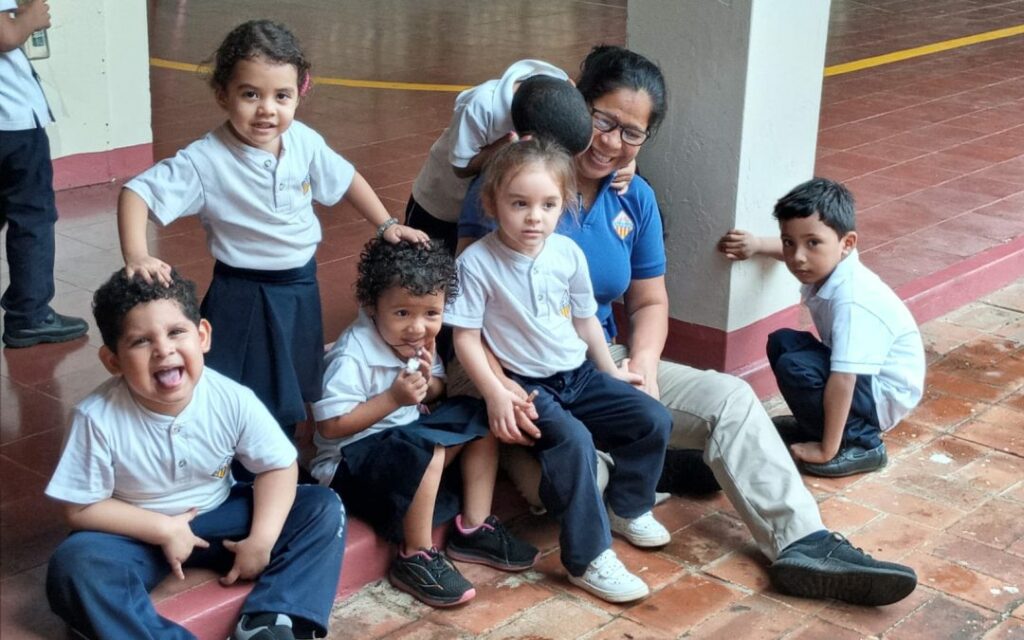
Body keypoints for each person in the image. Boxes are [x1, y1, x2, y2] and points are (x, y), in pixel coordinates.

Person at [459, 45, 918, 606]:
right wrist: (499, 386)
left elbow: (649, 302)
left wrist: (643, 366)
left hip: (597, 359)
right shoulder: (511, 186)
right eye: (602, 121)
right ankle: (656, 470)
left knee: (730, 399)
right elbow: (469, 312)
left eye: (631, 133)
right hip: (519, 381)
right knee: (579, 479)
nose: (610, 142)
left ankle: (805, 541)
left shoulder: (635, 198)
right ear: (577, 110)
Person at [116, 20, 427, 437]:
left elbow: (346, 177)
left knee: (293, 383)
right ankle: (243, 467)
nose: (267, 109)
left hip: (299, 286)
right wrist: (136, 253)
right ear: (222, 94)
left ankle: (281, 461)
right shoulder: (205, 160)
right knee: (245, 386)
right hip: (244, 294)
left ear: (301, 92)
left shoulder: (303, 140)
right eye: (250, 94)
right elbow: (137, 193)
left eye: (281, 96)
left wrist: (386, 223)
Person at [44, 269, 345, 640]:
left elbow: (278, 465)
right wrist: (163, 528)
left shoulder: (230, 398)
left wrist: (262, 540)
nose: (163, 349)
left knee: (320, 508)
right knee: (76, 565)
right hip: (139, 536)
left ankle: (273, 621)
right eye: (140, 341)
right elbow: (80, 507)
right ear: (113, 361)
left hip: (218, 518)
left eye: (176, 332)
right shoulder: (96, 418)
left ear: (202, 336)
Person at [449, 137, 673, 604]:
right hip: (527, 386)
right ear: (492, 204)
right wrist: (494, 391)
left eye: (548, 204)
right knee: (573, 442)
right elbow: (465, 337)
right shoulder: (476, 263)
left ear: (563, 205)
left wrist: (610, 373)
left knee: (651, 418)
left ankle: (628, 508)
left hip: (579, 373)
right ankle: (588, 559)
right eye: (520, 204)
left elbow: (588, 322)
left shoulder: (567, 254)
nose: (535, 217)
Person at [312, 239, 537, 608]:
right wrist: (392, 400)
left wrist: (425, 387)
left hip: (405, 450)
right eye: (402, 313)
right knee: (422, 447)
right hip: (351, 468)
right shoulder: (352, 354)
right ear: (371, 306)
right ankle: (415, 555)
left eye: (431, 314)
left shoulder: (419, 343)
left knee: (477, 412)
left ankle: (474, 527)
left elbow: (437, 388)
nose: (417, 328)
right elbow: (331, 427)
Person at [717, 178, 925, 477]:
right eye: (790, 242)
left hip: (882, 394)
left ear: (847, 243)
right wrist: (758, 245)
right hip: (868, 381)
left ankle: (862, 444)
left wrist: (826, 449)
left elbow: (844, 379)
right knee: (783, 342)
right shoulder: (834, 263)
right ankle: (813, 426)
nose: (797, 257)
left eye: (812, 244)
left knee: (796, 366)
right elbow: (799, 243)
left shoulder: (852, 300)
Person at [407, 58, 616, 254]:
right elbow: (460, 168)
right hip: (443, 206)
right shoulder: (480, 107)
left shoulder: (560, 85)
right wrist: (502, 148)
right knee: (428, 268)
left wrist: (622, 165)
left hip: (497, 205)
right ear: (529, 141)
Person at [0, 0, 89, 348]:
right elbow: (5, 35)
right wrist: (29, 19)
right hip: (11, 122)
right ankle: (30, 315)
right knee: (32, 215)